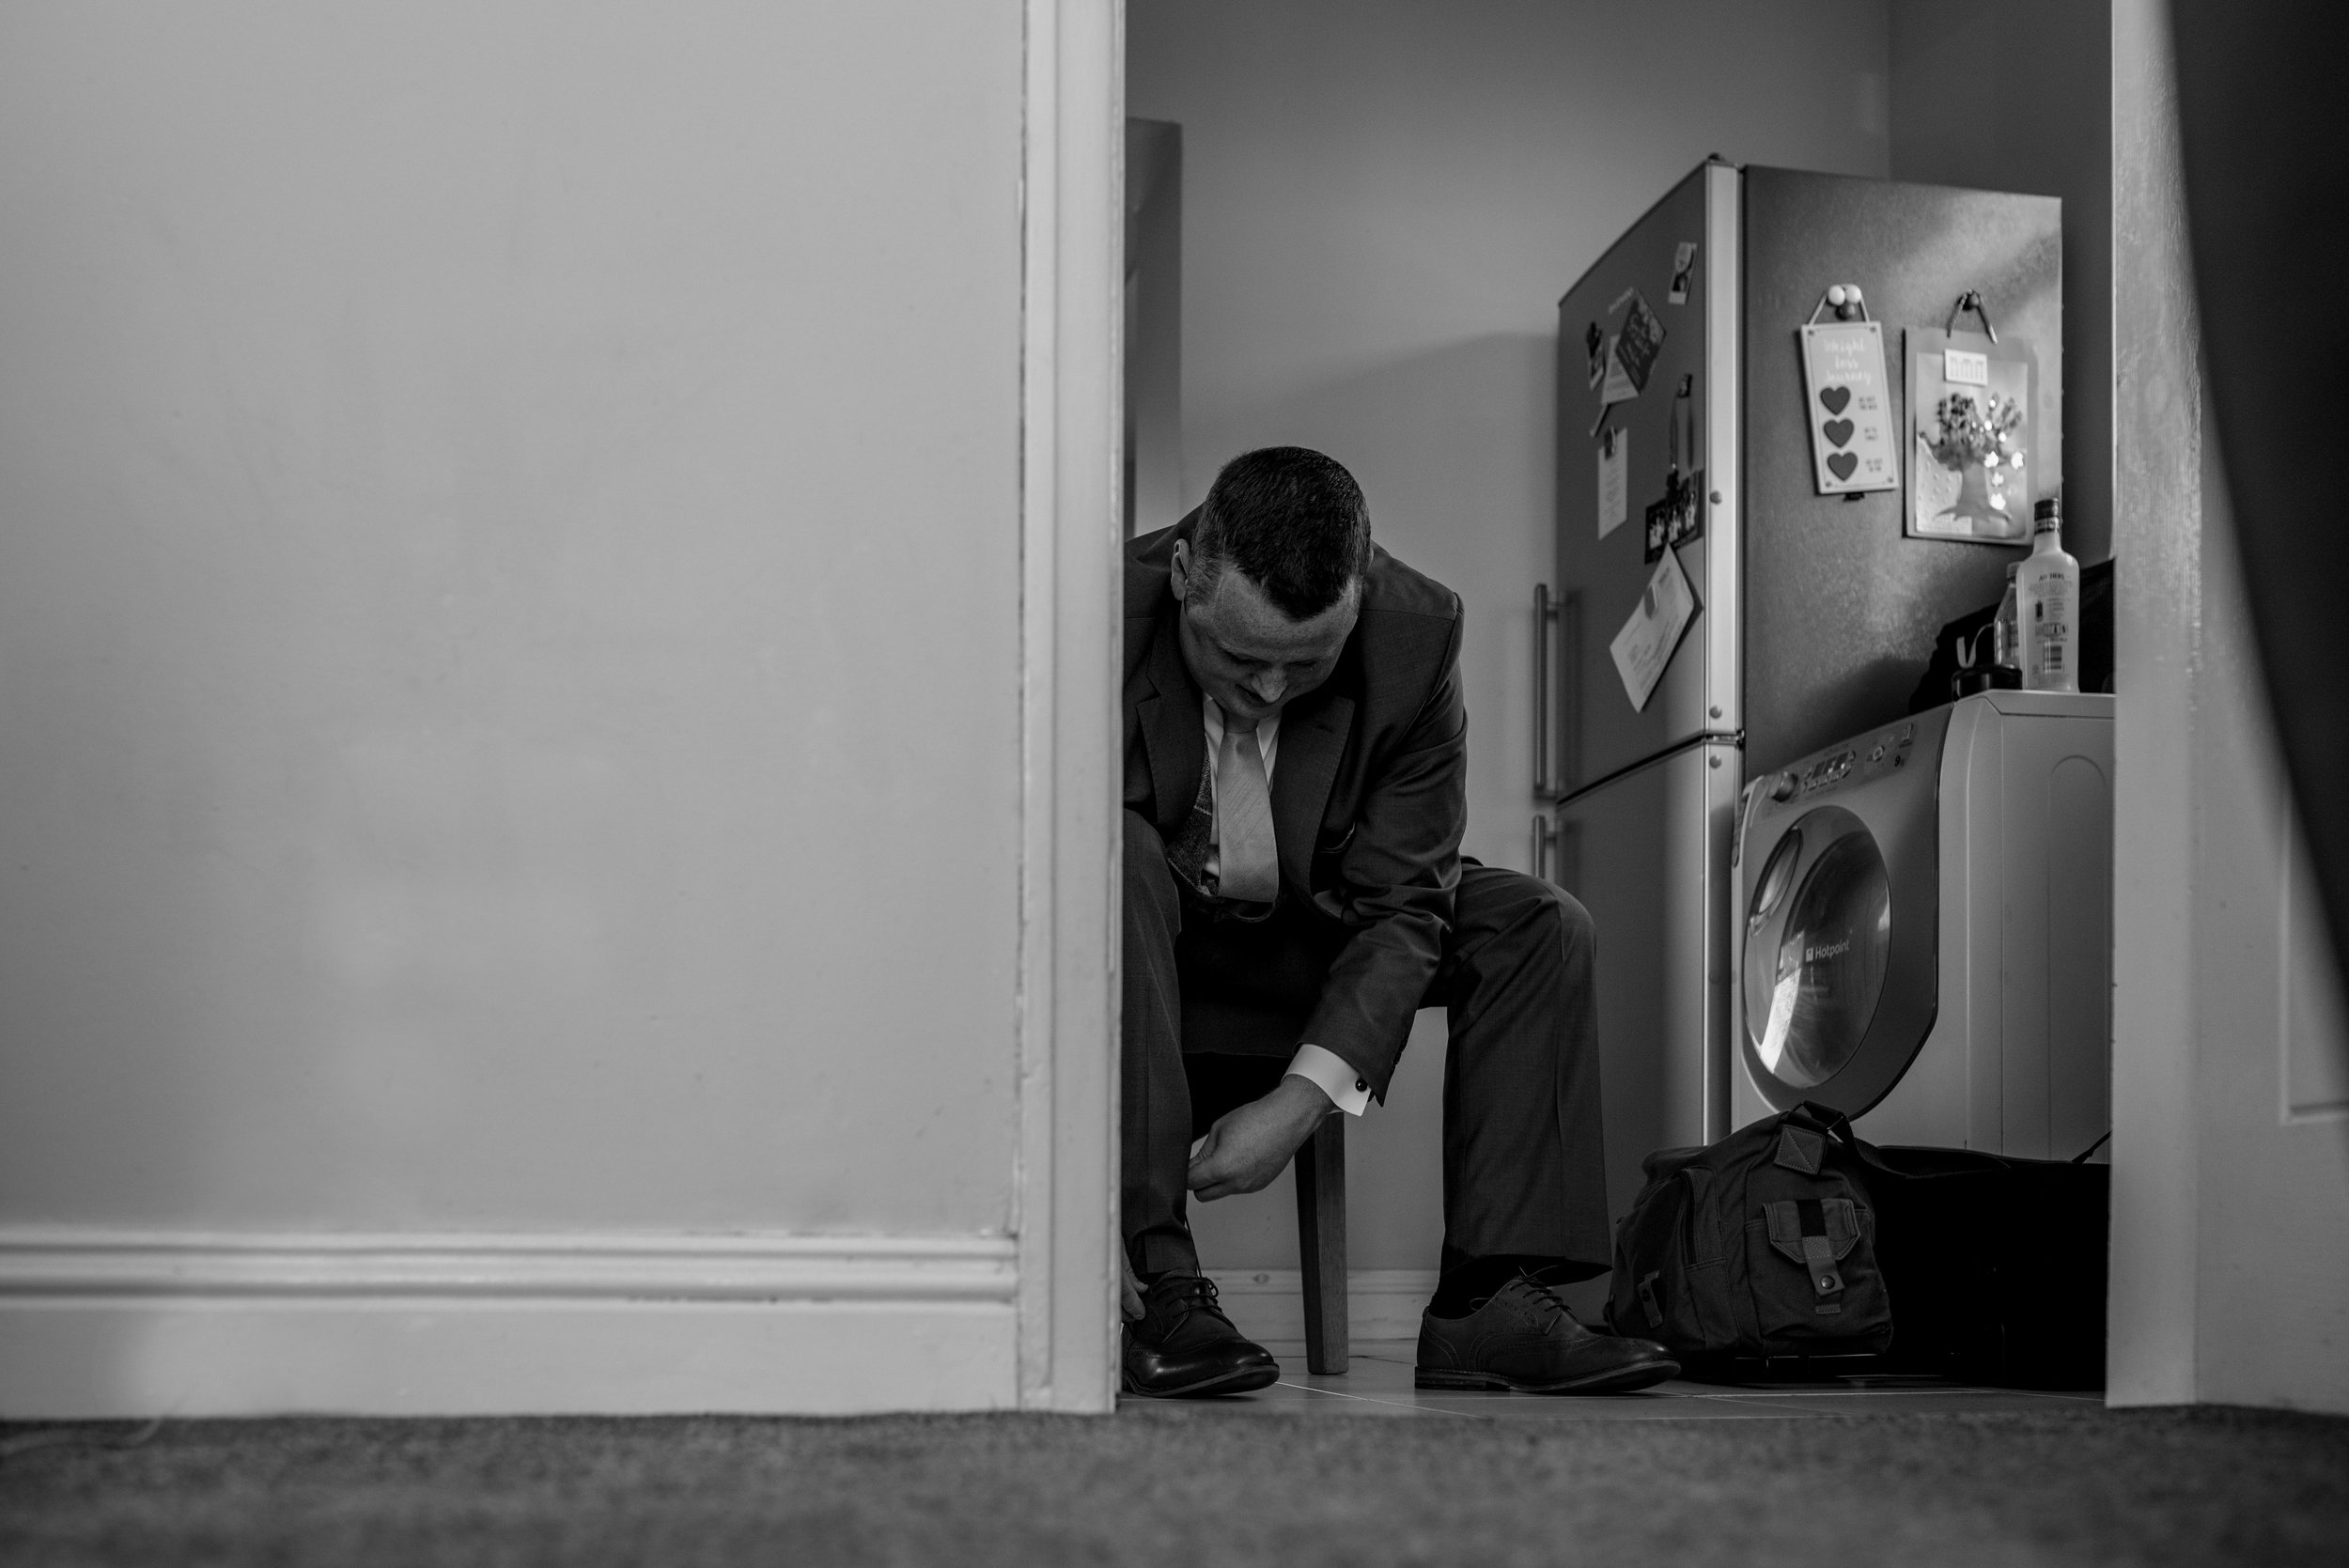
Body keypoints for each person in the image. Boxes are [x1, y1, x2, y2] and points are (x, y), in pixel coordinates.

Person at [1120, 445, 1678, 1397]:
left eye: (1304, 665)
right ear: (1181, 579)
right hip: (1151, 953)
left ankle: (1487, 1303)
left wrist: (1300, 1104)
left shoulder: (1415, 636)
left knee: (1536, 921)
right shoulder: (1094, 610)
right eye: (1237, 657)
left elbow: (1405, 902)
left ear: (1356, 601)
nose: (1265, 693)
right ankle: (1159, 1283)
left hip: (1321, 940)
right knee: (1104, 849)